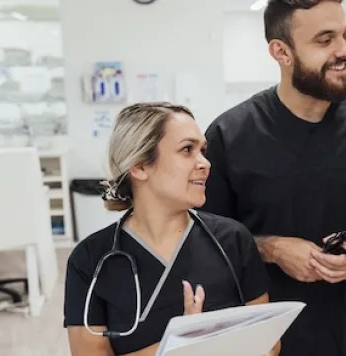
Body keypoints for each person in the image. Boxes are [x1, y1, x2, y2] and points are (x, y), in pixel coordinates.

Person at [198, 1, 346, 355]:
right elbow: (205, 238)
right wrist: (272, 249)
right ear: (281, 51)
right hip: (266, 338)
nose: (344, 51)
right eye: (325, 40)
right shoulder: (231, 135)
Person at [63, 102, 277, 356]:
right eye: (187, 149)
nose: (205, 163)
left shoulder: (233, 241)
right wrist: (182, 345)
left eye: (202, 151)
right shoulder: (90, 260)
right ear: (140, 166)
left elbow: (269, 346)